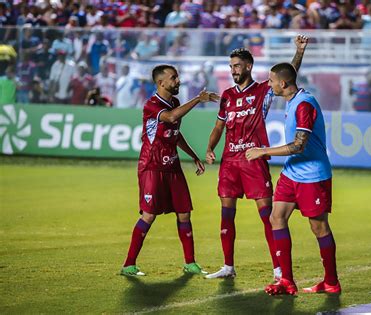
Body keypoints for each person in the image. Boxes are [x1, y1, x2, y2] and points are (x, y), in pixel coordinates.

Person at [204, 35, 308, 280]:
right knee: (226, 213)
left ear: (248, 66)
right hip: (229, 162)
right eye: (230, 67)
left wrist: (299, 51)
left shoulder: (263, 91)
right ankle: (228, 267)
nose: (233, 71)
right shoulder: (227, 96)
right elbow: (219, 127)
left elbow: (288, 75)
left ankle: (278, 268)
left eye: (237, 66)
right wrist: (210, 148)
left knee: (268, 216)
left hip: (253, 159)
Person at [246, 62, 340, 296]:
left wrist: (264, 151)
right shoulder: (293, 100)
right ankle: (286, 281)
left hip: (312, 176)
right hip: (291, 174)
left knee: (318, 227)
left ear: (283, 83)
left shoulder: (304, 105)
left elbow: (299, 145)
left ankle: (331, 282)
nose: (269, 84)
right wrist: (299, 52)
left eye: (271, 81)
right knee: (276, 218)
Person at [120, 64, 220, 277]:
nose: (178, 81)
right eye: (174, 78)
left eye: (178, 77)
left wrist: (193, 155)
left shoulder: (173, 102)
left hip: (172, 165)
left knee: (184, 213)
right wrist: (197, 99)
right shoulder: (152, 105)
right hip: (152, 166)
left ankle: (190, 263)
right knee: (149, 215)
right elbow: (171, 118)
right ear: (161, 83)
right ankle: (129, 265)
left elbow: (175, 132)